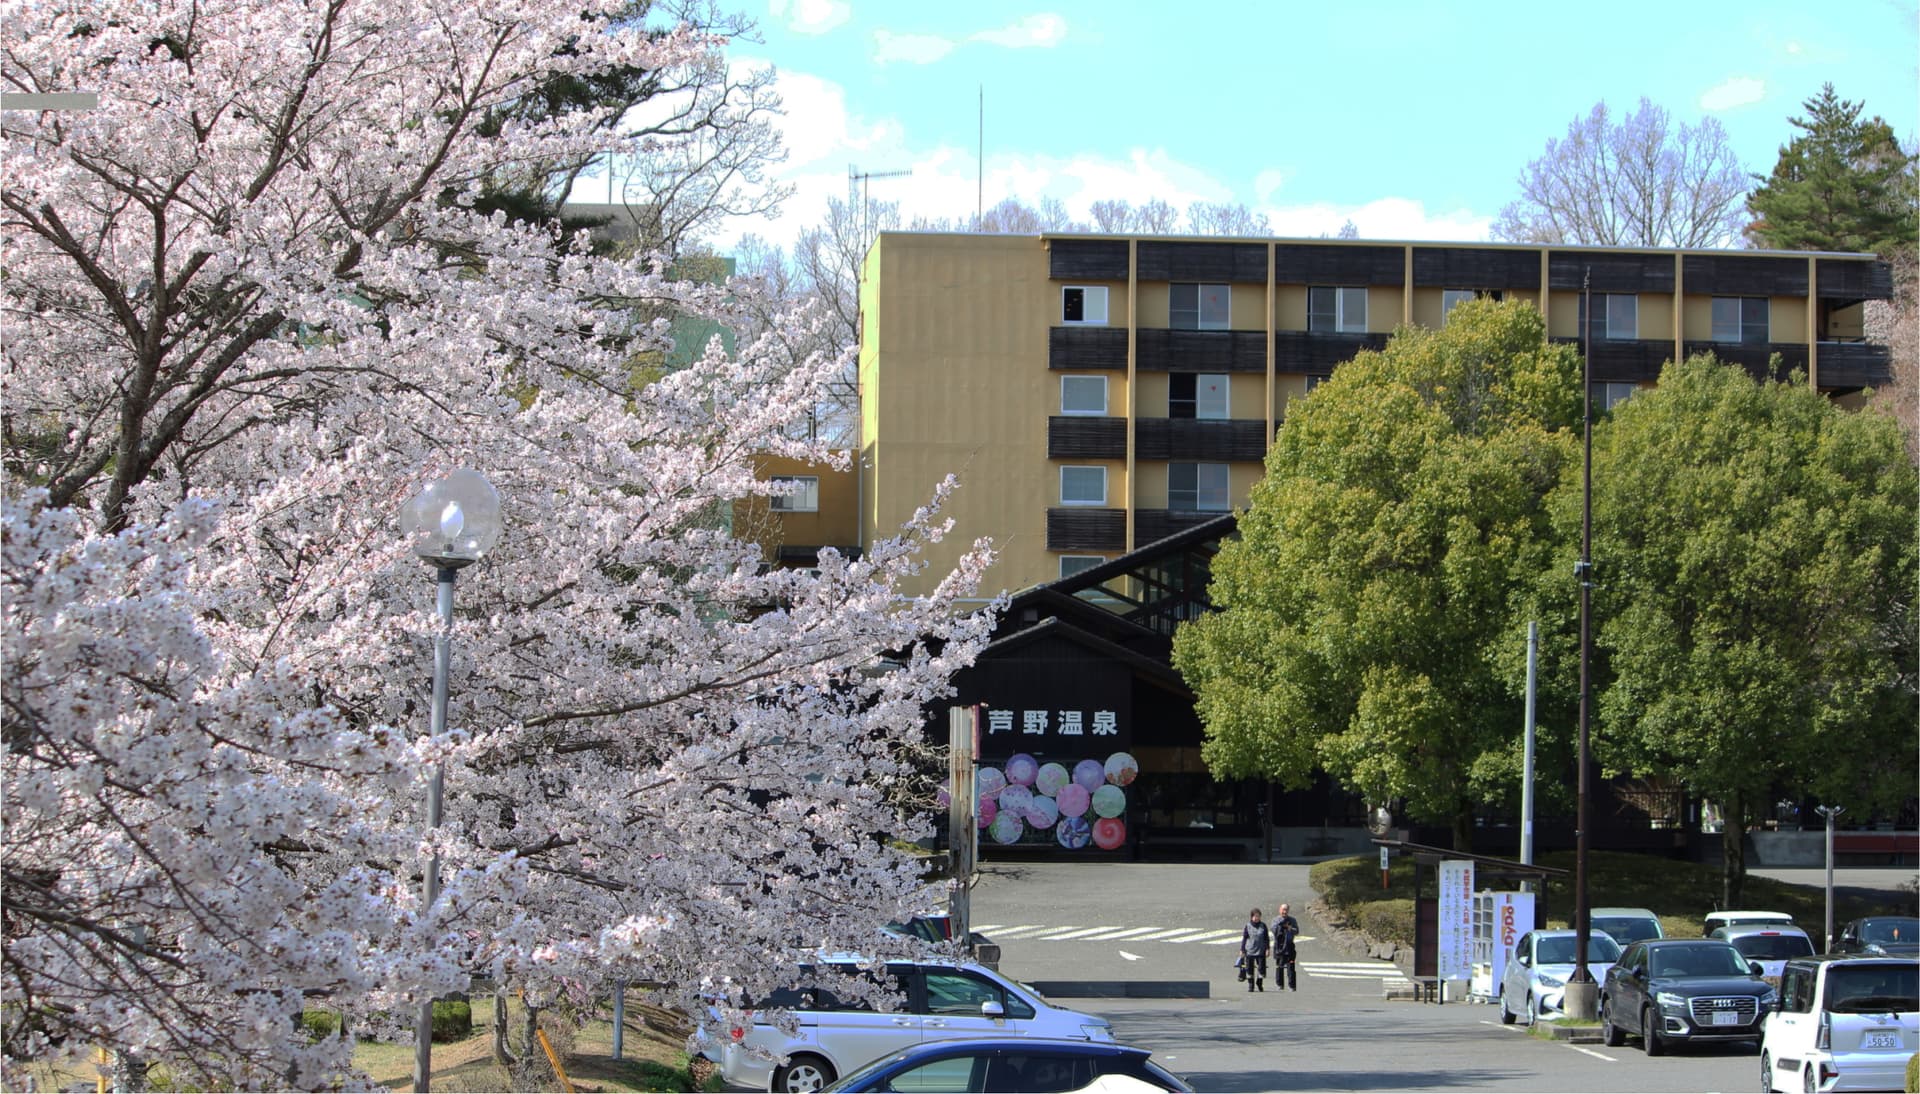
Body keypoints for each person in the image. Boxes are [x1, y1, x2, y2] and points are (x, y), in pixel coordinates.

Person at [1271, 902, 1300, 991]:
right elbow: (1273, 929)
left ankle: (1292, 986)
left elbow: (1297, 931)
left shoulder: (1292, 920)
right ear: (1280, 910)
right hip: (1279, 946)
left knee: (1291, 966)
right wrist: (1281, 924)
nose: (1285, 911)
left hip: (1289, 946)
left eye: (1286, 910)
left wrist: (1290, 928)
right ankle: (1279, 984)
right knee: (1279, 966)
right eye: (1283, 909)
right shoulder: (1276, 920)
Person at [1240, 907, 1269, 992]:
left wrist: (1267, 949)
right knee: (1249, 969)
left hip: (1261, 950)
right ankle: (1251, 985)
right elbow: (1244, 938)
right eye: (1255, 916)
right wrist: (1242, 950)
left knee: (1262, 969)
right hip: (1250, 950)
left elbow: (1266, 938)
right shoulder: (1248, 926)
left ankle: (1259, 983)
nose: (1257, 918)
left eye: (1258, 916)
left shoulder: (1263, 926)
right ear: (1251, 917)